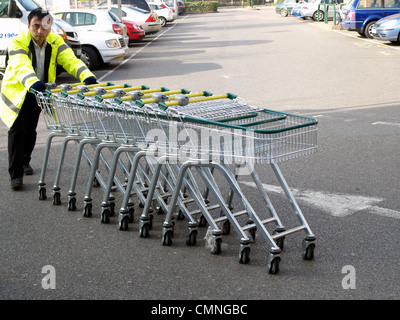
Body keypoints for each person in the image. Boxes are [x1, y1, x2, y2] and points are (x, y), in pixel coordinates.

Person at [0, 8, 97, 191]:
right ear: (28, 26)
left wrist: (86, 75)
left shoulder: (54, 41)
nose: (40, 32)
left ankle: (25, 161)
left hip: (40, 92)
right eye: (35, 26)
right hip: (19, 91)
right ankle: (16, 174)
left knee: (31, 129)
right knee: (17, 131)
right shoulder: (17, 42)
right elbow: (21, 65)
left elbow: (70, 59)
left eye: (44, 27)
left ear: (50, 27)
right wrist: (33, 82)